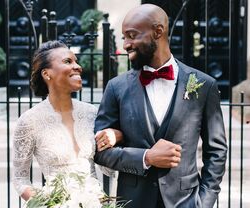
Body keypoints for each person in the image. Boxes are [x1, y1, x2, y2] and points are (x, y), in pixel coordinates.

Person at [94, 4, 227, 208]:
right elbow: (99, 151)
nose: (126, 44)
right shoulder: (116, 87)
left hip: (186, 202)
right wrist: (146, 157)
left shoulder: (204, 85)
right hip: (132, 201)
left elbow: (216, 152)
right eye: (124, 37)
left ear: (158, 32)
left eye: (132, 35)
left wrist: (204, 201)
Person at [12, 40, 122, 201]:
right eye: (68, 61)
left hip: (96, 202)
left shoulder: (92, 113)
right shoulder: (29, 121)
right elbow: (20, 179)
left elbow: (108, 169)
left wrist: (116, 136)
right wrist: (48, 204)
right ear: (46, 74)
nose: (78, 66)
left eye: (76, 61)